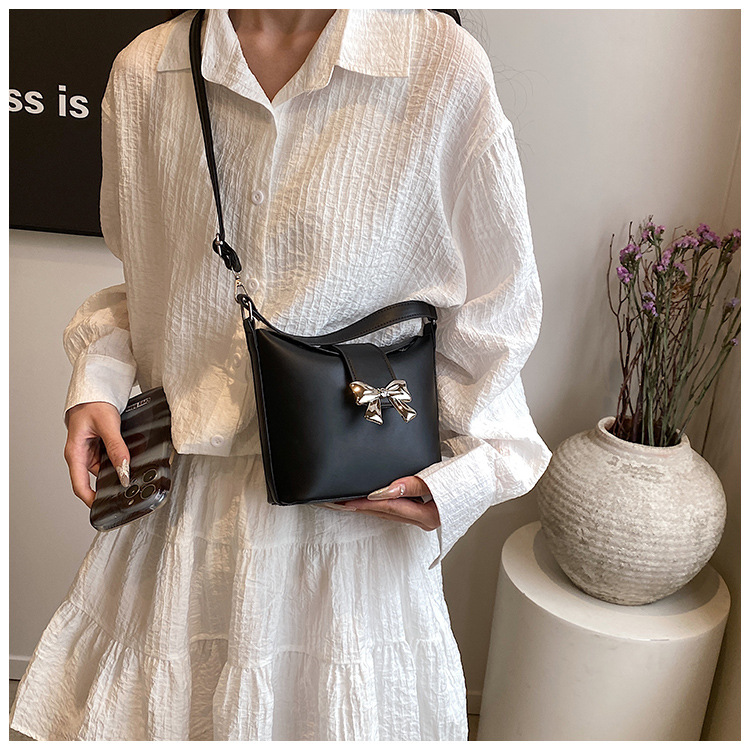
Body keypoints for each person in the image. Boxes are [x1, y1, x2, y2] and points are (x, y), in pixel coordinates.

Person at [9, 9, 551, 741]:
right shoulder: (146, 71)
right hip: (181, 521)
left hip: (352, 530)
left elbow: (498, 311)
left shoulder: (435, 65)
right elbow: (149, 283)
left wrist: (464, 481)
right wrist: (97, 383)